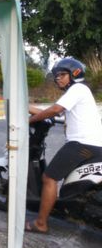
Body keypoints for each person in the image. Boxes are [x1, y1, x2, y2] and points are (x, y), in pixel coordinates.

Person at [26, 57, 102, 234]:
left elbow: (54, 110)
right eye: (57, 76)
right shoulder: (79, 92)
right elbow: (54, 112)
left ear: (74, 74)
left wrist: (29, 120)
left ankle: (41, 223)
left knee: (49, 178)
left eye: (62, 75)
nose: (58, 78)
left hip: (82, 144)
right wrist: (25, 107)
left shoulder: (77, 89)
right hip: (93, 145)